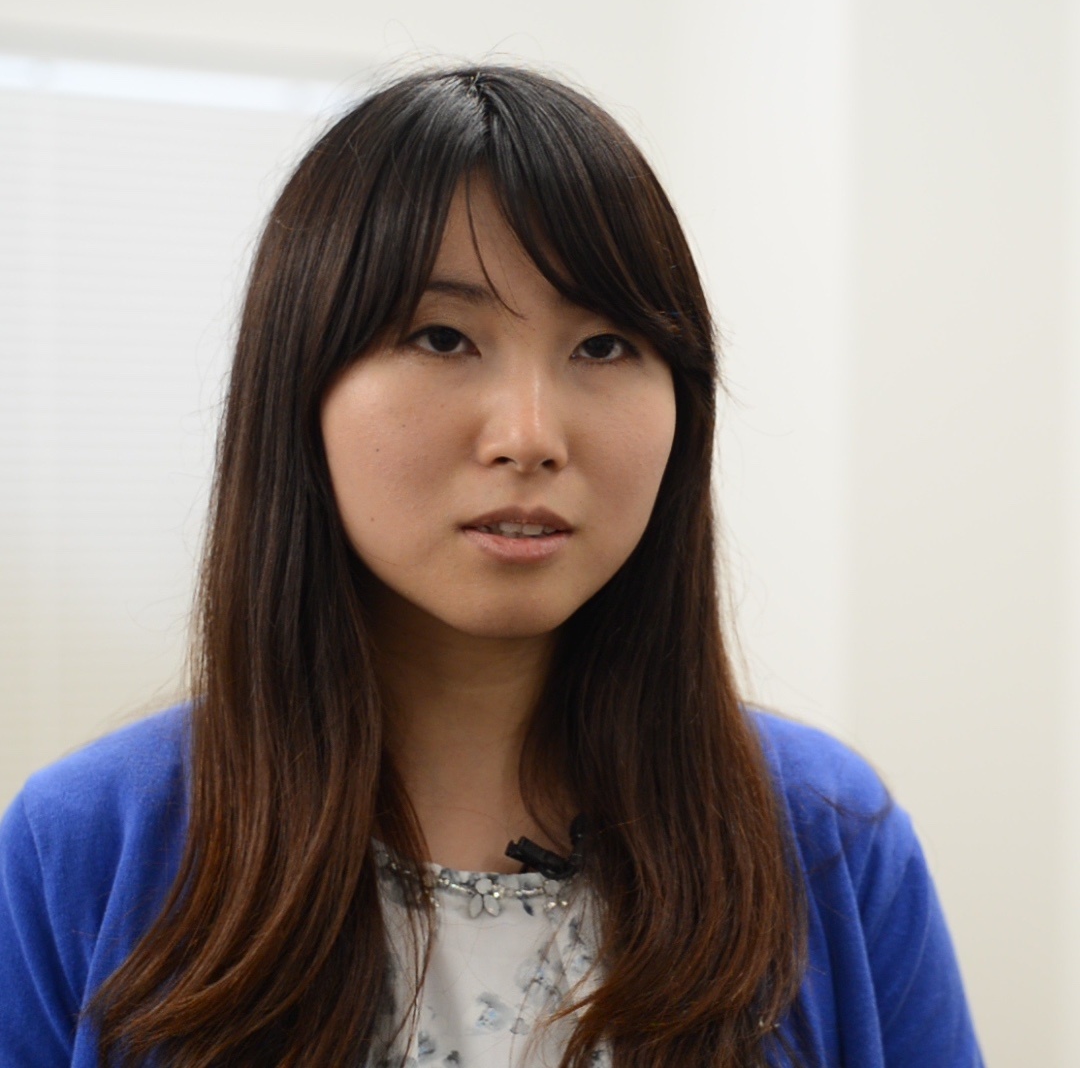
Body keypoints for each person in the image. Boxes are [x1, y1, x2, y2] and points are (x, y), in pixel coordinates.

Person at [0, 64, 983, 1067]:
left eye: (603, 346)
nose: (529, 437)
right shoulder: (86, 844)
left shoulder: (825, 833)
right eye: (442, 337)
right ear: (299, 385)